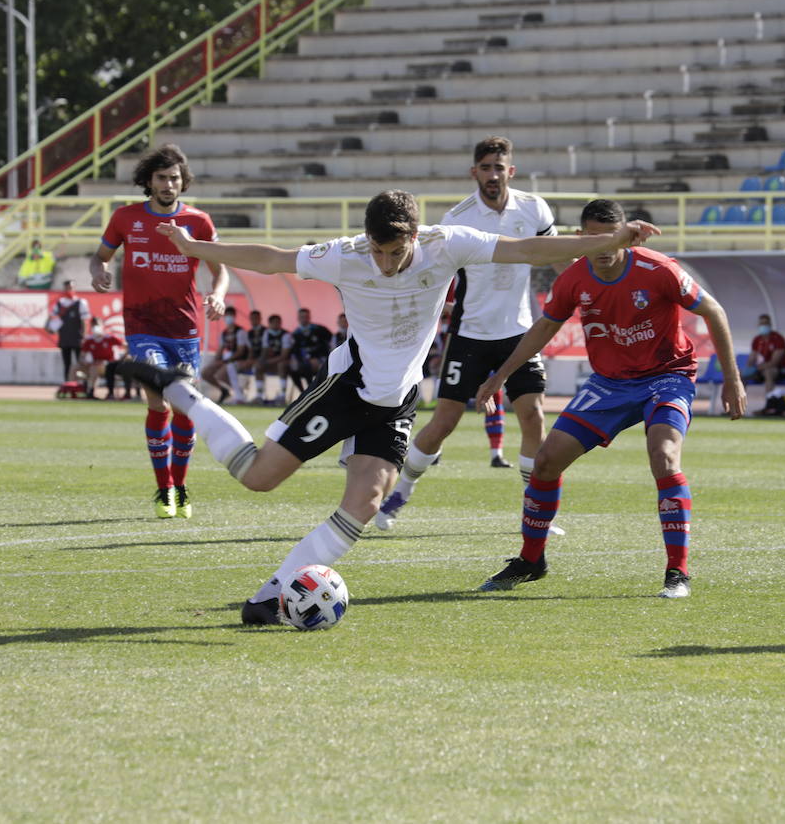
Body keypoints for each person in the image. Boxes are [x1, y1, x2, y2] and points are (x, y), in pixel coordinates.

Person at [113, 189, 658, 625]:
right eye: (377, 251)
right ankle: (183, 392)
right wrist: (195, 249)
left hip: (396, 400)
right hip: (348, 385)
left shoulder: (449, 244)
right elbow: (273, 259)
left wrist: (605, 240)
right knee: (258, 478)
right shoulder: (347, 255)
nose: (385, 262)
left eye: (395, 252)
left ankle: (270, 597)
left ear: (415, 237)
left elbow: (527, 250)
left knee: (366, 502)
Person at [469, 198, 744, 598]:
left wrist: (732, 380)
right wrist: (502, 375)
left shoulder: (658, 269)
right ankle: (531, 561)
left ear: (624, 238)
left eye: (608, 239)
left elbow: (713, 310)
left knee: (664, 456)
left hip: (666, 377)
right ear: (580, 238)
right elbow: (545, 327)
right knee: (546, 462)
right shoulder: (575, 277)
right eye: (590, 239)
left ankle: (677, 572)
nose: (599, 249)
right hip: (609, 384)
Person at [377, 136, 561, 529]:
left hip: (519, 332)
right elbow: (436, 274)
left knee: (533, 416)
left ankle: (534, 511)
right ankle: (397, 496)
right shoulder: (456, 218)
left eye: (500, 167)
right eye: (486, 167)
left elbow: (555, 256)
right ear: (473, 172)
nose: (493, 175)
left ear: (511, 171)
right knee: (444, 422)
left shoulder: (534, 208)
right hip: (471, 335)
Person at [90, 143, 228, 520]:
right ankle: (163, 488)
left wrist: (217, 294)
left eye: (175, 178)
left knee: (185, 410)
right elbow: (100, 255)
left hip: (184, 329)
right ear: (148, 182)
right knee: (158, 401)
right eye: (162, 178)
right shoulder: (125, 218)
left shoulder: (198, 222)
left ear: (183, 183)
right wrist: (99, 270)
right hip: (142, 327)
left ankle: (180, 487)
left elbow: (220, 267)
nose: (169, 184)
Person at [201, 306, 246, 404]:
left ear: (234, 316)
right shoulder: (224, 333)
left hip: (237, 359)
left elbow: (240, 351)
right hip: (227, 359)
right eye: (227, 315)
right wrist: (216, 360)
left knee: (221, 373)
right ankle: (225, 390)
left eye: (230, 315)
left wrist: (225, 361)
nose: (228, 317)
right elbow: (220, 351)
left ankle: (239, 392)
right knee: (205, 373)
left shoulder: (240, 331)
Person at [287, 307, 333, 397]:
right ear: (298, 318)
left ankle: (312, 392)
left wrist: (323, 357)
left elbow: (331, 343)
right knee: (292, 368)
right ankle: (303, 393)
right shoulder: (295, 333)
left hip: (320, 358)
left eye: (306, 316)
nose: (304, 319)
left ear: (309, 317)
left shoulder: (320, 329)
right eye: (302, 317)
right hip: (303, 361)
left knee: (309, 365)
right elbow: (294, 351)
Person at [743, 313, 785, 400]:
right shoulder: (757, 340)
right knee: (739, 376)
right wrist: (749, 366)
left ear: (770, 325)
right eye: (761, 324)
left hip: (780, 370)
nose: (763, 326)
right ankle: (735, 406)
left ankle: (770, 404)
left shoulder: (778, 339)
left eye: (766, 323)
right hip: (760, 369)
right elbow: (751, 359)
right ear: (758, 325)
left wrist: (757, 368)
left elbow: (775, 362)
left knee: (768, 372)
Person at [50, 280, 90, 380]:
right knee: (67, 364)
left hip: (77, 338)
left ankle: (82, 385)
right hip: (64, 338)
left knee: (80, 363)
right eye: (67, 288)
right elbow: (52, 318)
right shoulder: (59, 303)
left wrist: (84, 336)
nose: (69, 290)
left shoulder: (80, 302)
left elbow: (84, 321)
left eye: (71, 288)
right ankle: (67, 384)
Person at [77, 317, 125, 398]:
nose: (95, 327)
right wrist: (86, 362)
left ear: (102, 325)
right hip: (94, 365)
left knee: (96, 369)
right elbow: (82, 356)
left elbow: (125, 346)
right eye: (93, 325)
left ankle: (93, 392)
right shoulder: (89, 340)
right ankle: (72, 389)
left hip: (109, 365)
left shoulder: (109, 338)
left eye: (97, 324)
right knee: (75, 368)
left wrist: (122, 359)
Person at [257, 313, 292, 405]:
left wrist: (268, 361)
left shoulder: (286, 335)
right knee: (258, 367)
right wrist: (261, 361)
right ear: (269, 324)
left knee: (282, 365)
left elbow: (284, 355)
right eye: (274, 323)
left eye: (278, 322)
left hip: (286, 363)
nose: (277, 324)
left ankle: (283, 396)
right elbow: (265, 351)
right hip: (272, 362)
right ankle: (260, 395)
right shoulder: (267, 334)